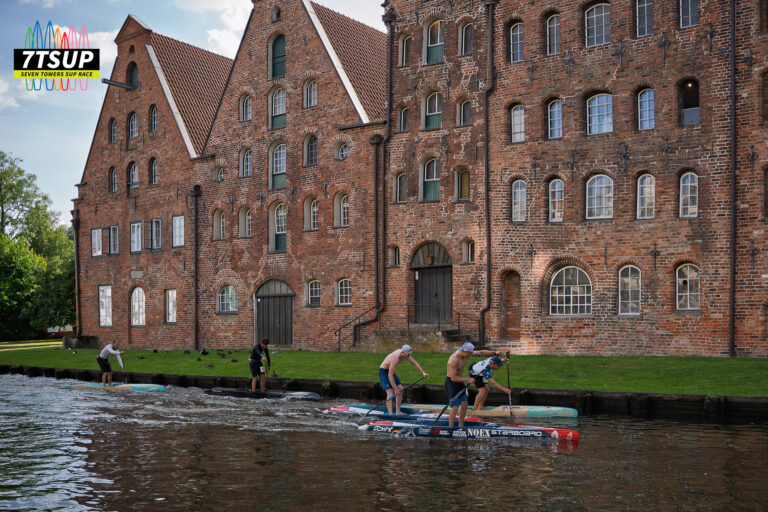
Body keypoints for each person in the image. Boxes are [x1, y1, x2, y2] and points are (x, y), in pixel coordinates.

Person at [445, 342, 501, 427]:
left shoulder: (467, 353)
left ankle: (461, 425)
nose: (471, 355)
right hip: (452, 383)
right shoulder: (454, 359)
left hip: (460, 381)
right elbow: (453, 378)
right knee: (455, 406)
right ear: (465, 351)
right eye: (470, 353)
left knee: (464, 403)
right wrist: (467, 379)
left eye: (471, 353)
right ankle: (450, 427)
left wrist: (494, 352)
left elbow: (481, 352)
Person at [379, 344, 429, 415]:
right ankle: (390, 414)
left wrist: (423, 372)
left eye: (409, 354)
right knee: (390, 392)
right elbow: (390, 375)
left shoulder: (406, 355)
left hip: (390, 372)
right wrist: (395, 389)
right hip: (383, 371)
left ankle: (398, 411)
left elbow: (414, 363)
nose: (409, 356)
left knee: (400, 389)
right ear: (403, 352)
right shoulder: (395, 358)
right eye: (408, 354)